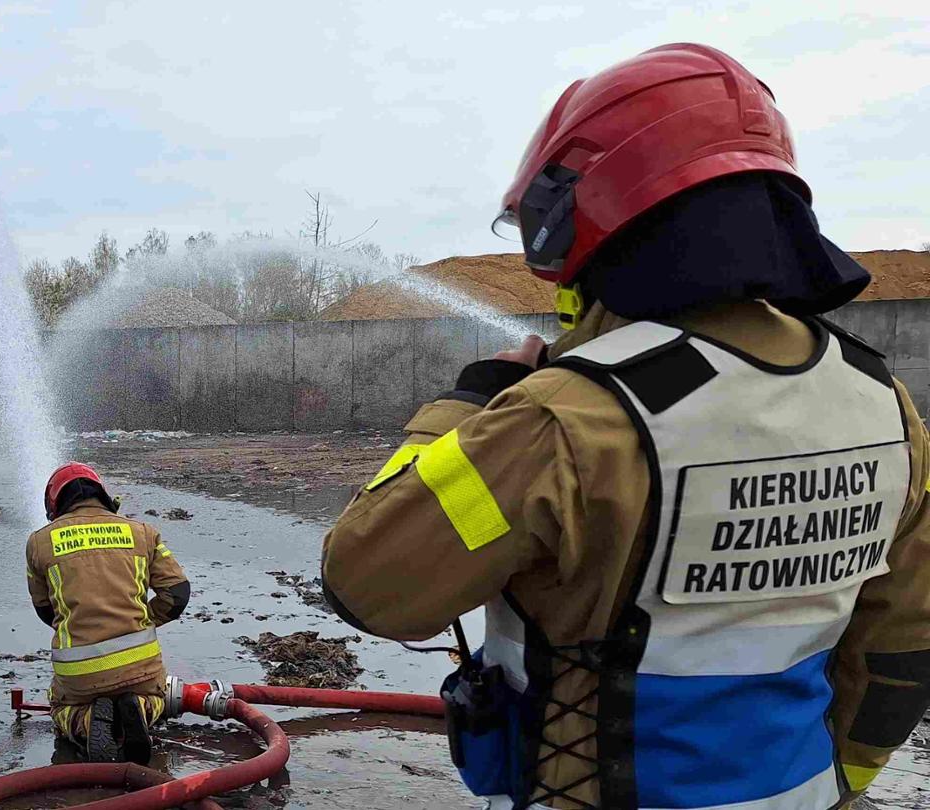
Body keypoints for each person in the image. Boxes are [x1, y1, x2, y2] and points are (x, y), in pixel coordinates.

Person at [320, 43, 930, 810]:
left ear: (580, 208)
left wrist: (467, 409)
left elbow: (370, 584)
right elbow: (902, 641)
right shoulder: (880, 399)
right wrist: (843, 780)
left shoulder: (563, 418)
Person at [26, 462, 190, 763]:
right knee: (157, 698)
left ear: (54, 504)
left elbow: (44, 609)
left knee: (60, 707)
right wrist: (141, 619)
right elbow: (177, 593)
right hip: (140, 665)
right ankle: (139, 708)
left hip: (77, 672)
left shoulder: (39, 542)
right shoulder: (142, 532)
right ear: (102, 494)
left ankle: (88, 722)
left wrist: (79, 624)